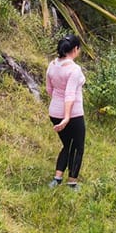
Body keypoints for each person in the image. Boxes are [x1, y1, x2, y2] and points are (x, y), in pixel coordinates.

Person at [46, 34, 87, 189]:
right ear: (75, 49)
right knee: (77, 147)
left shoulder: (52, 65)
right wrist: (67, 117)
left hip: (54, 112)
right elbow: (70, 94)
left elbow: (49, 89)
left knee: (67, 144)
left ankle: (57, 178)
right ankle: (72, 182)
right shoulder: (74, 69)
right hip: (73, 114)